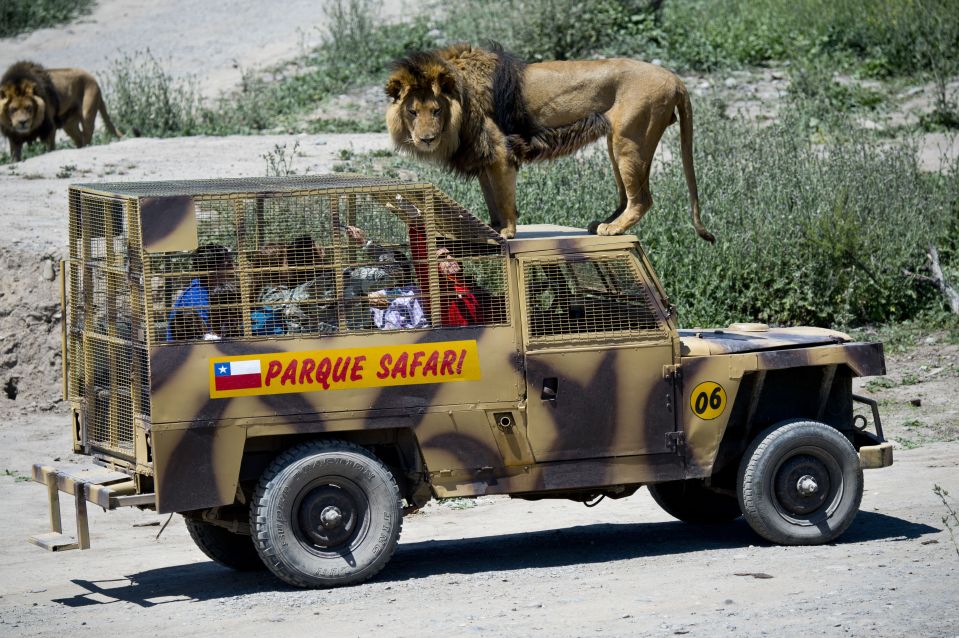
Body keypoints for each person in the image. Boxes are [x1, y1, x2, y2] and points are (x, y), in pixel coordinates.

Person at [166, 244, 234, 341]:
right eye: (229, 264)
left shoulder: (202, 289)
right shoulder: (197, 298)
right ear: (213, 270)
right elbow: (207, 339)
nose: (234, 267)